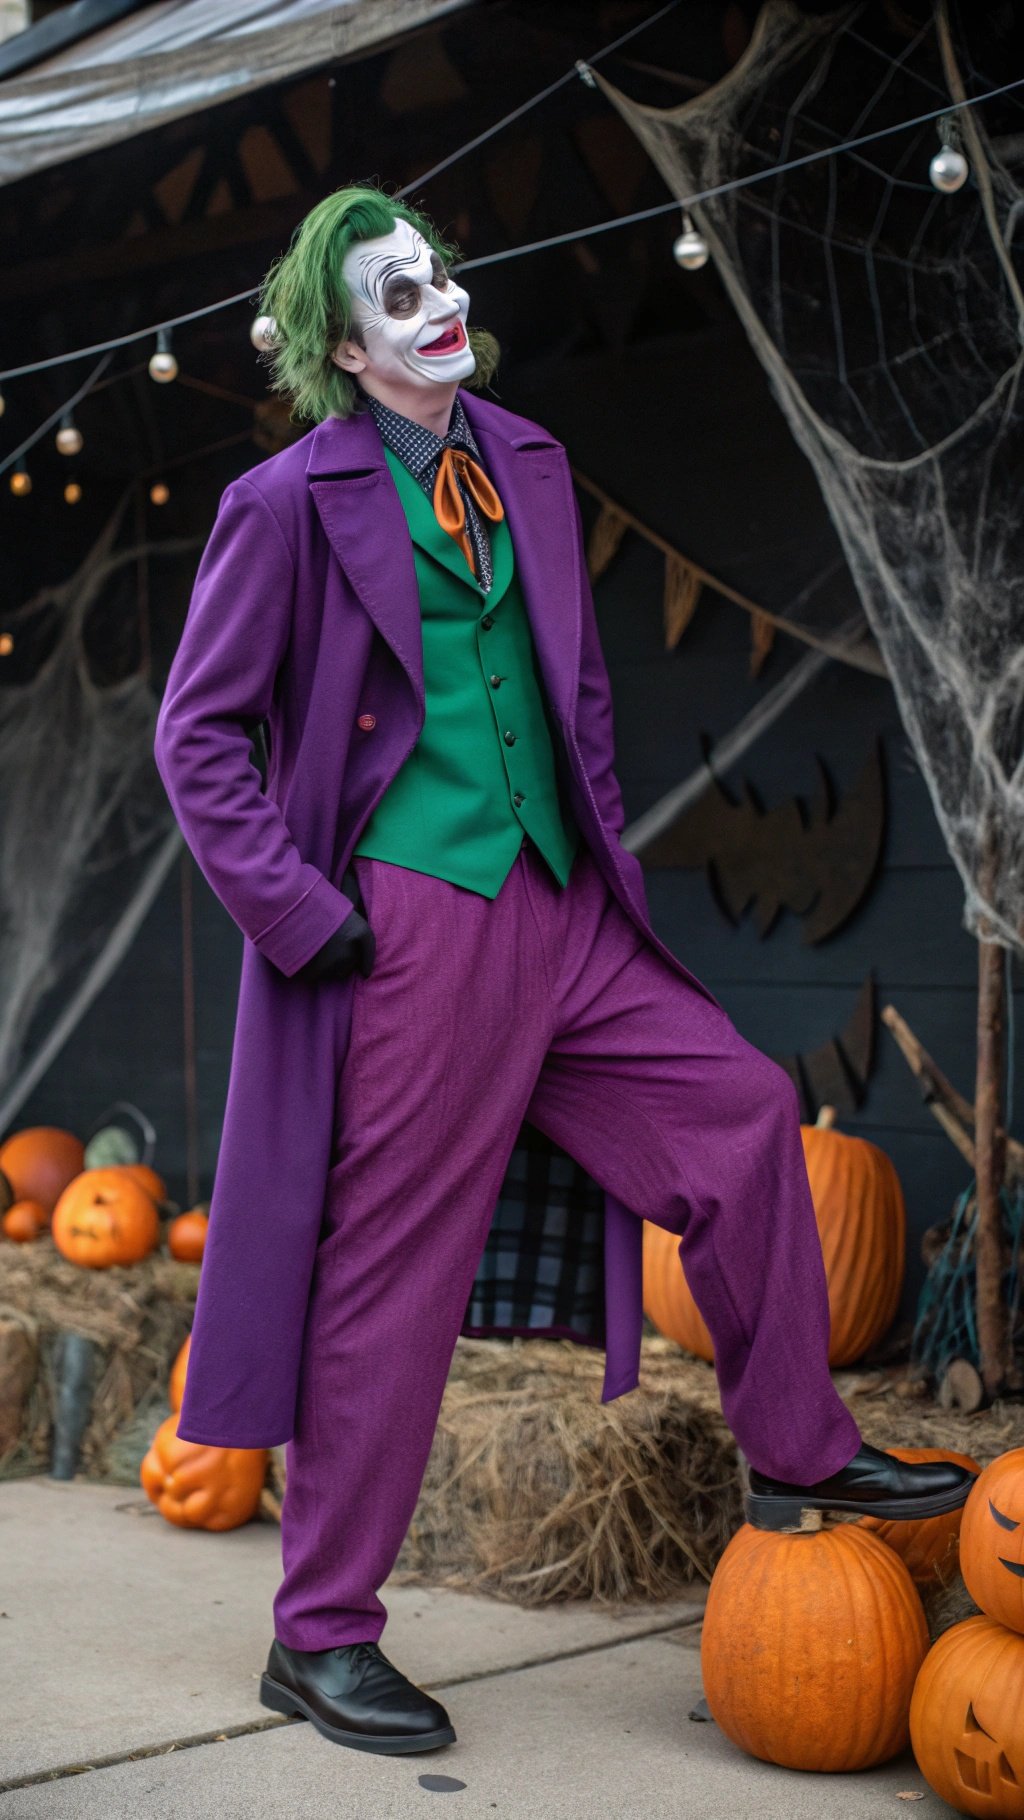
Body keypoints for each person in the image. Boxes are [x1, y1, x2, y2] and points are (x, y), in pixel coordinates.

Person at [153, 184, 976, 1759]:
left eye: (443, 273)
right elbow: (197, 738)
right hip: (411, 921)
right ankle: (318, 1639)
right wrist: (312, 917)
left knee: (741, 1111)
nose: (440, 301)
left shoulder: (526, 459)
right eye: (400, 293)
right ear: (343, 340)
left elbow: (571, 691)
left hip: (561, 903)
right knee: (395, 1276)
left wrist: (589, 852)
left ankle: (798, 1447)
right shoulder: (283, 502)